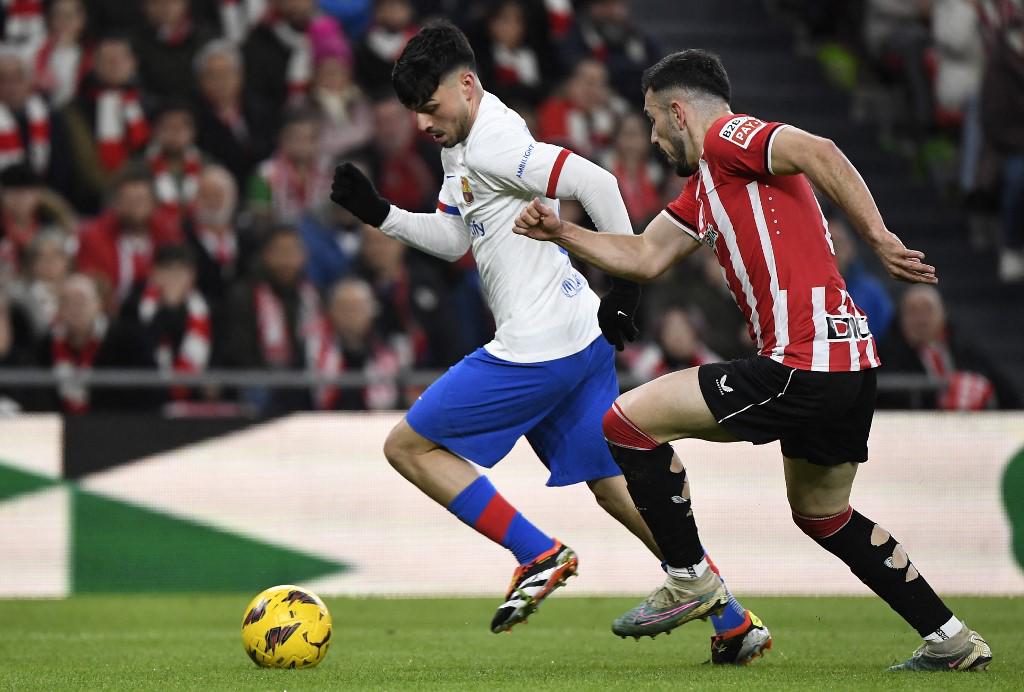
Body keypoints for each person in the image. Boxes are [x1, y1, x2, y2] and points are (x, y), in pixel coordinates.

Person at [513, 49, 992, 672]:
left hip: (802, 360)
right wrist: (564, 233)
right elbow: (643, 257)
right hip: (850, 363)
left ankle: (689, 576)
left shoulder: (731, 140)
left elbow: (820, 151)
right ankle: (949, 637)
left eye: (656, 121)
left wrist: (877, 237)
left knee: (625, 423)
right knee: (825, 515)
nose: (655, 138)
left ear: (679, 111)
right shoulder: (707, 188)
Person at [329, 22, 769, 663]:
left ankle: (536, 552)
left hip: (539, 349)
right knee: (617, 488)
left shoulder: (493, 146)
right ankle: (732, 620)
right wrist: (382, 215)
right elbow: (457, 239)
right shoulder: (467, 143)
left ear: (468, 85)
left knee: (409, 446)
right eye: (413, 112)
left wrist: (628, 286)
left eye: (430, 107)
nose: (423, 122)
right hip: (576, 336)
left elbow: (597, 184)